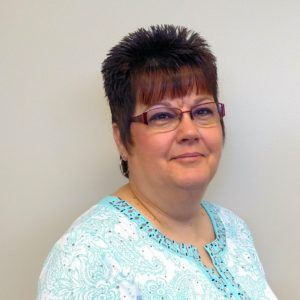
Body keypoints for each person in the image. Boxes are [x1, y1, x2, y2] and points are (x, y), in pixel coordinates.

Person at [37, 25, 277, 299]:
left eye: (202, 111)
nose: (189, 132)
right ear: (122, 139)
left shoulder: (233, 229)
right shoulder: (86, 256)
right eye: (162, 116)